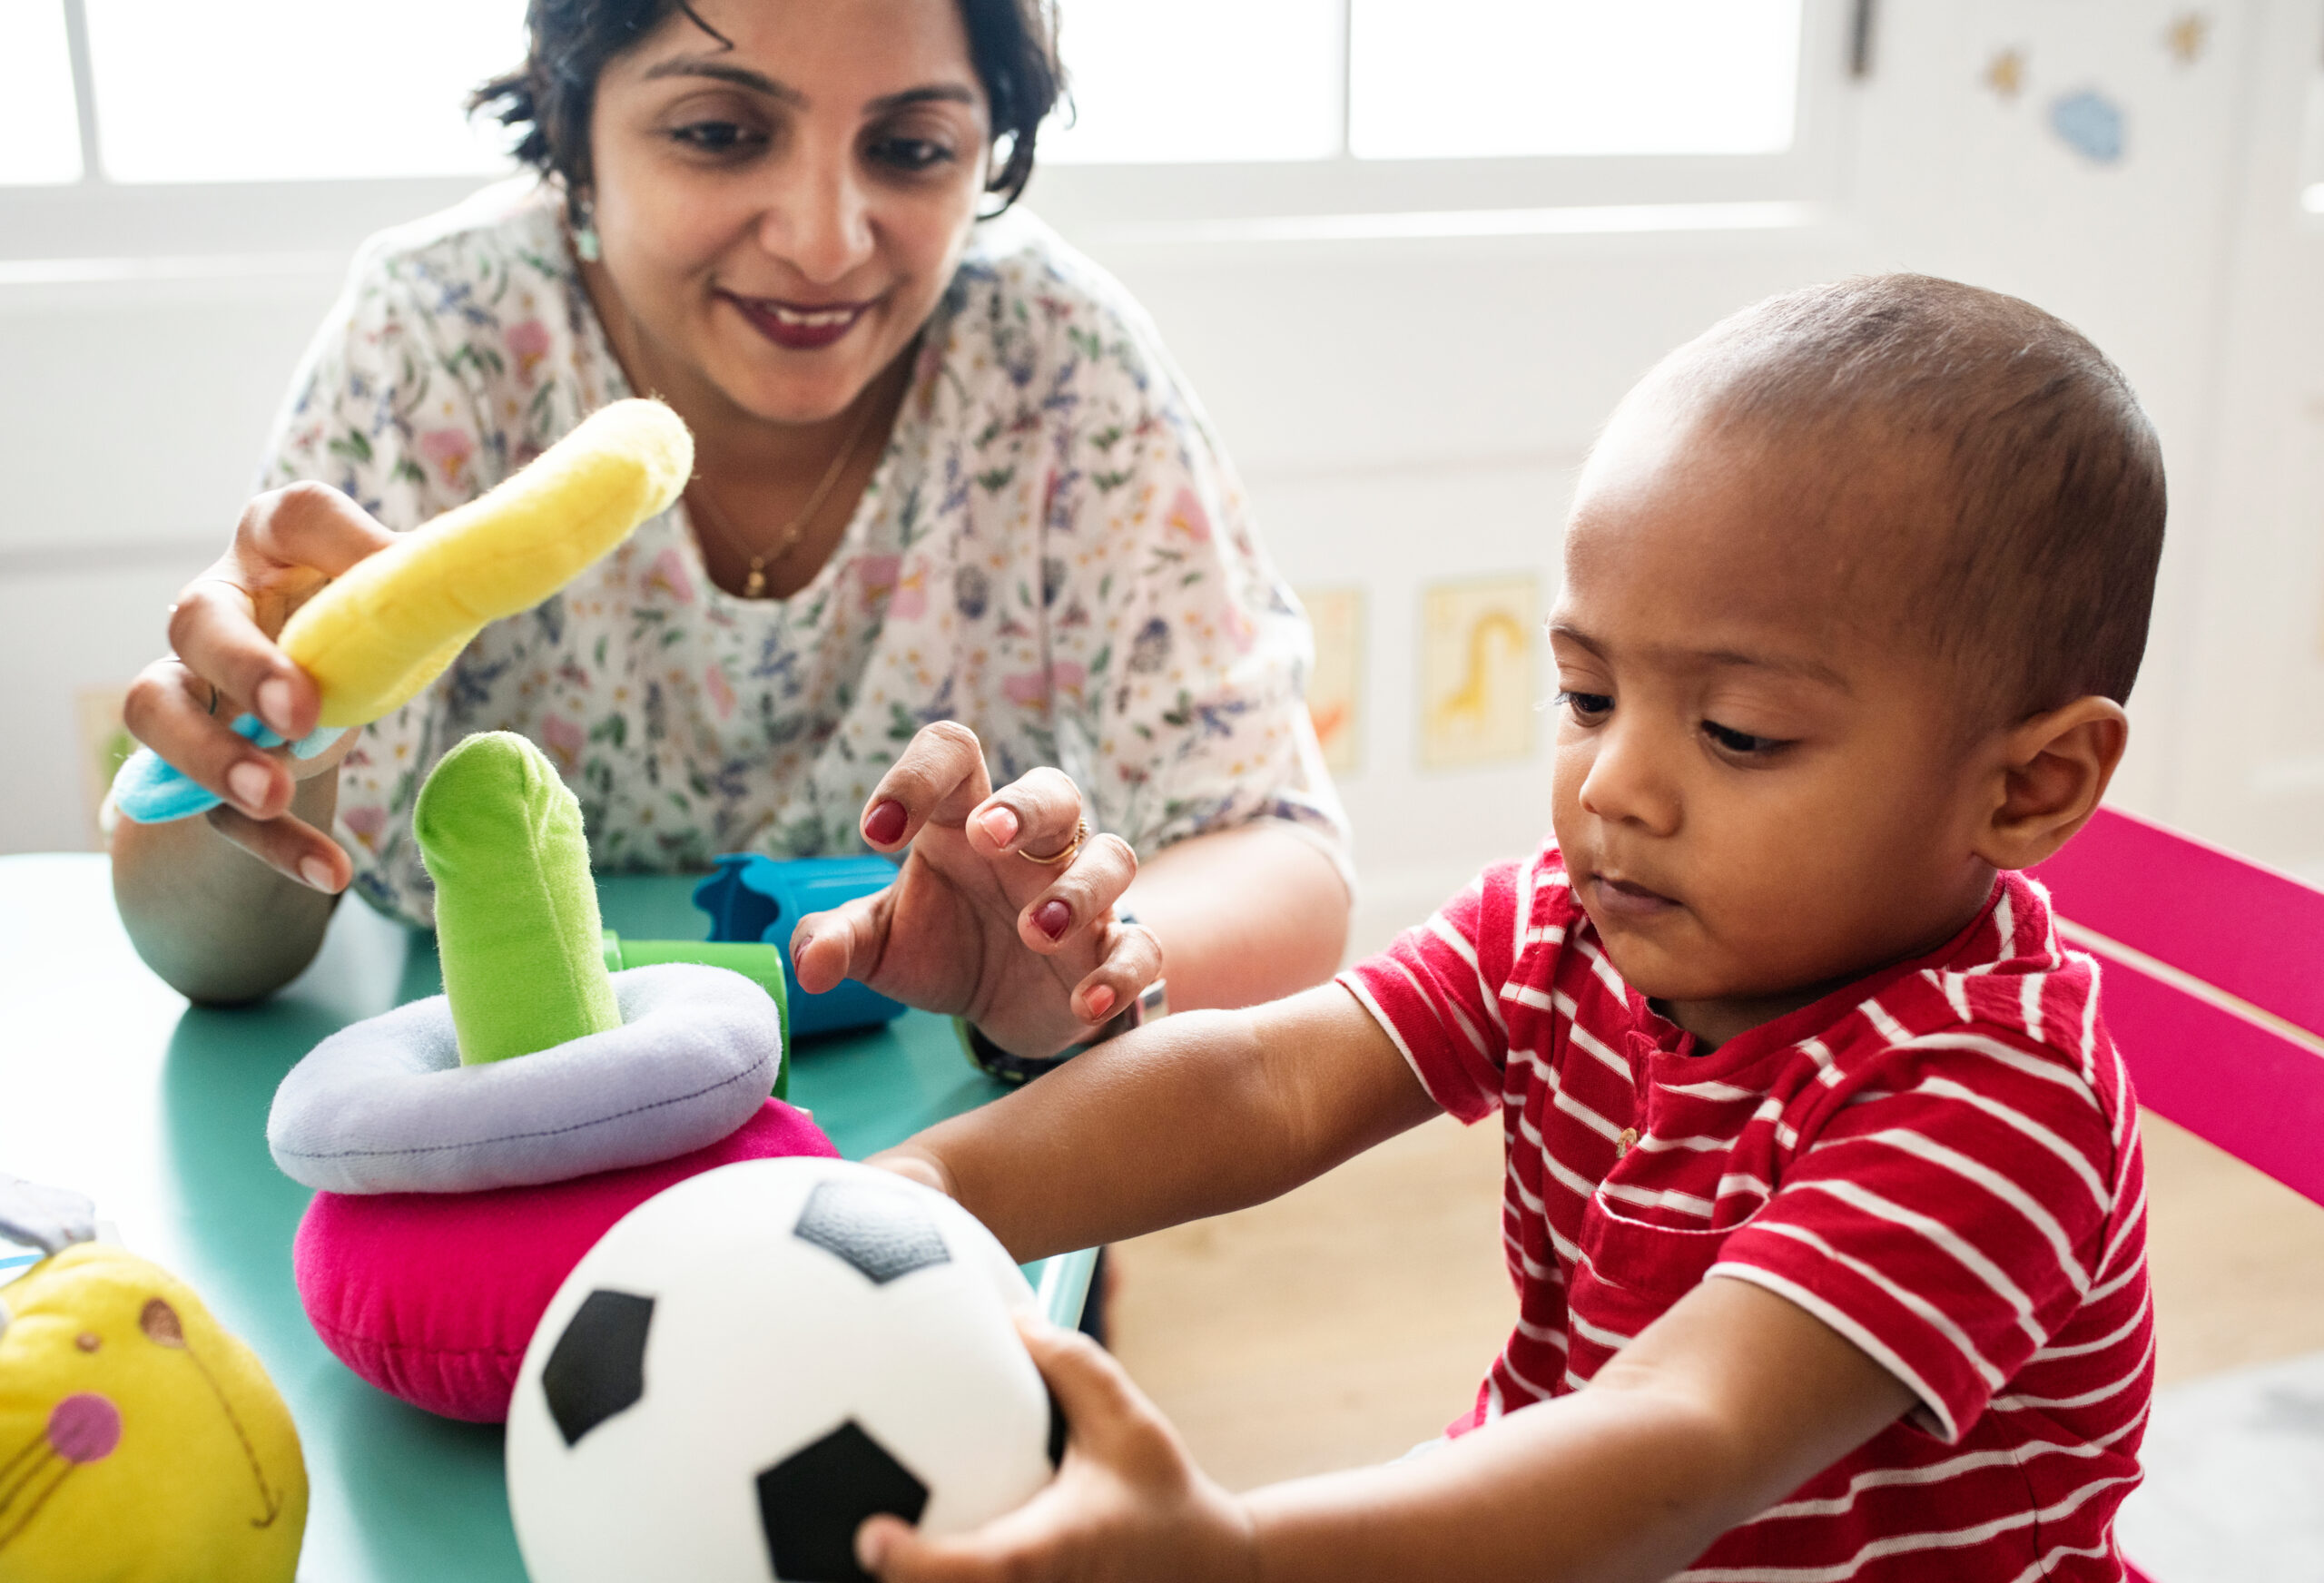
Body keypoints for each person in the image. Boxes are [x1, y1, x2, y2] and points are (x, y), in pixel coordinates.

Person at [862, 275, 2163, 1582]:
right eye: (1589, 695)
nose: (1611, 788)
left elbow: (1681, 1435)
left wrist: (1241, 1555)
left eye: (1737, 734)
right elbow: (1271, 1083)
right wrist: (927, 1185)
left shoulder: (1998, 1097)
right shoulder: (1562, 927)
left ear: (2029, 787)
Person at [110, 0, 1353, 1056]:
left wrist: (1069, 968)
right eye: (719, 133)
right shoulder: (436, 340)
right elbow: (212, 958)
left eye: (913, 148)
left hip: (964, 1141)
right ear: (574, 125)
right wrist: (262, 741)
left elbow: (1280, 852)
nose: (824, 240)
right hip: (504, 1114)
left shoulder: (1053, 359)